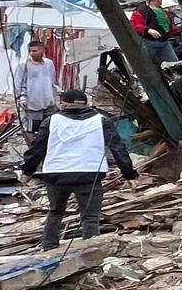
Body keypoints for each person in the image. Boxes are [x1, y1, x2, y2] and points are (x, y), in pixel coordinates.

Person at [21, 87, 136, 248]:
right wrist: (129, 175)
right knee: (90, 217)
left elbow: (37, 148)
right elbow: (118, 148)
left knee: (55, 212)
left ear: (63, 104)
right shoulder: (101, 120)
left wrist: (27, 171)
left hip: (56, 174)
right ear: (86, 104)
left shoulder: (51, 120)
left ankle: (48, 246)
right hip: (89, 175)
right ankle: (91, 250)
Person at [13, 37, 59, 137]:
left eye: (35, 51)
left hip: (48, 104)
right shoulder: (23, 65)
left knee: (49, 128)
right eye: (30, 51)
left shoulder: (49, 64)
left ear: (42, 50)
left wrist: (56, 94)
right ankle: (32, 150)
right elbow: (19, 84)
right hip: (31, 104)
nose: (32, 53)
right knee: (29, 129)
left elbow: (52, 81)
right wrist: (21, 99)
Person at [131, 0, 180, 64]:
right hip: (149, 43)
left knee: (174, 63)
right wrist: (148, 30)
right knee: (147, 64)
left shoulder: (161, 10)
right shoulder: (140, 11)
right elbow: (136, 25)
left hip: (164, 42)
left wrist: (179, 31)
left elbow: (166, 25)